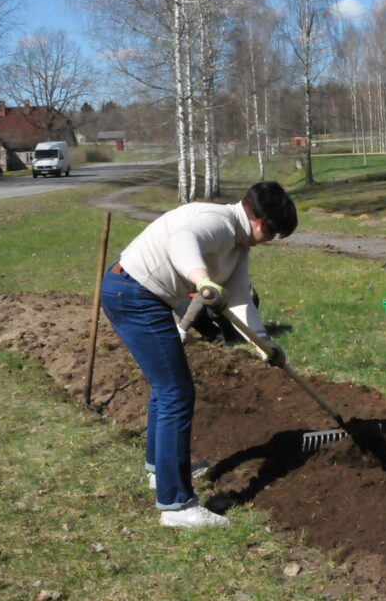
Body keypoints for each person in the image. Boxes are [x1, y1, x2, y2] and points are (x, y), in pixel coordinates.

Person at [100, 181, 297, 528]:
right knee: (176, 393)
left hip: (139, 294)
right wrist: (201, 279)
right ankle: (177, 506)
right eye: (274, 233)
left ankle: (159, 471)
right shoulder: (218, 221)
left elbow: (239, 299)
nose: (271, 240)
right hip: (133, 293)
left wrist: (265, 345)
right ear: (261, 222)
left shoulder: (238, 244)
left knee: (167, 388)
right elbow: (182, 241)